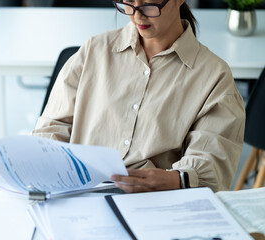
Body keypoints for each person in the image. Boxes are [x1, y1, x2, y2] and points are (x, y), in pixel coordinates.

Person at [31, 0, 245, 193]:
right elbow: (53, 126)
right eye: (128, 3)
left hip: (154, 204)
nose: (137, 16)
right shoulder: (94, 51)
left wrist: (175, 179)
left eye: (149, 5)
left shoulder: (214, 75)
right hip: (79, 193)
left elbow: (212, 163)